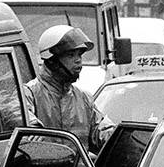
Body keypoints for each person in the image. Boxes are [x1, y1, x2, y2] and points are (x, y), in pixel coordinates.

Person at [23, 25, 114, 153]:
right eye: (71, 55)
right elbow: (29, 136)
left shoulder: (84, 98)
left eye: (79, 55)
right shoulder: (29, 94)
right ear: (52, 60)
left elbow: (102, 133)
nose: (78, 61)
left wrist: (123, 138)